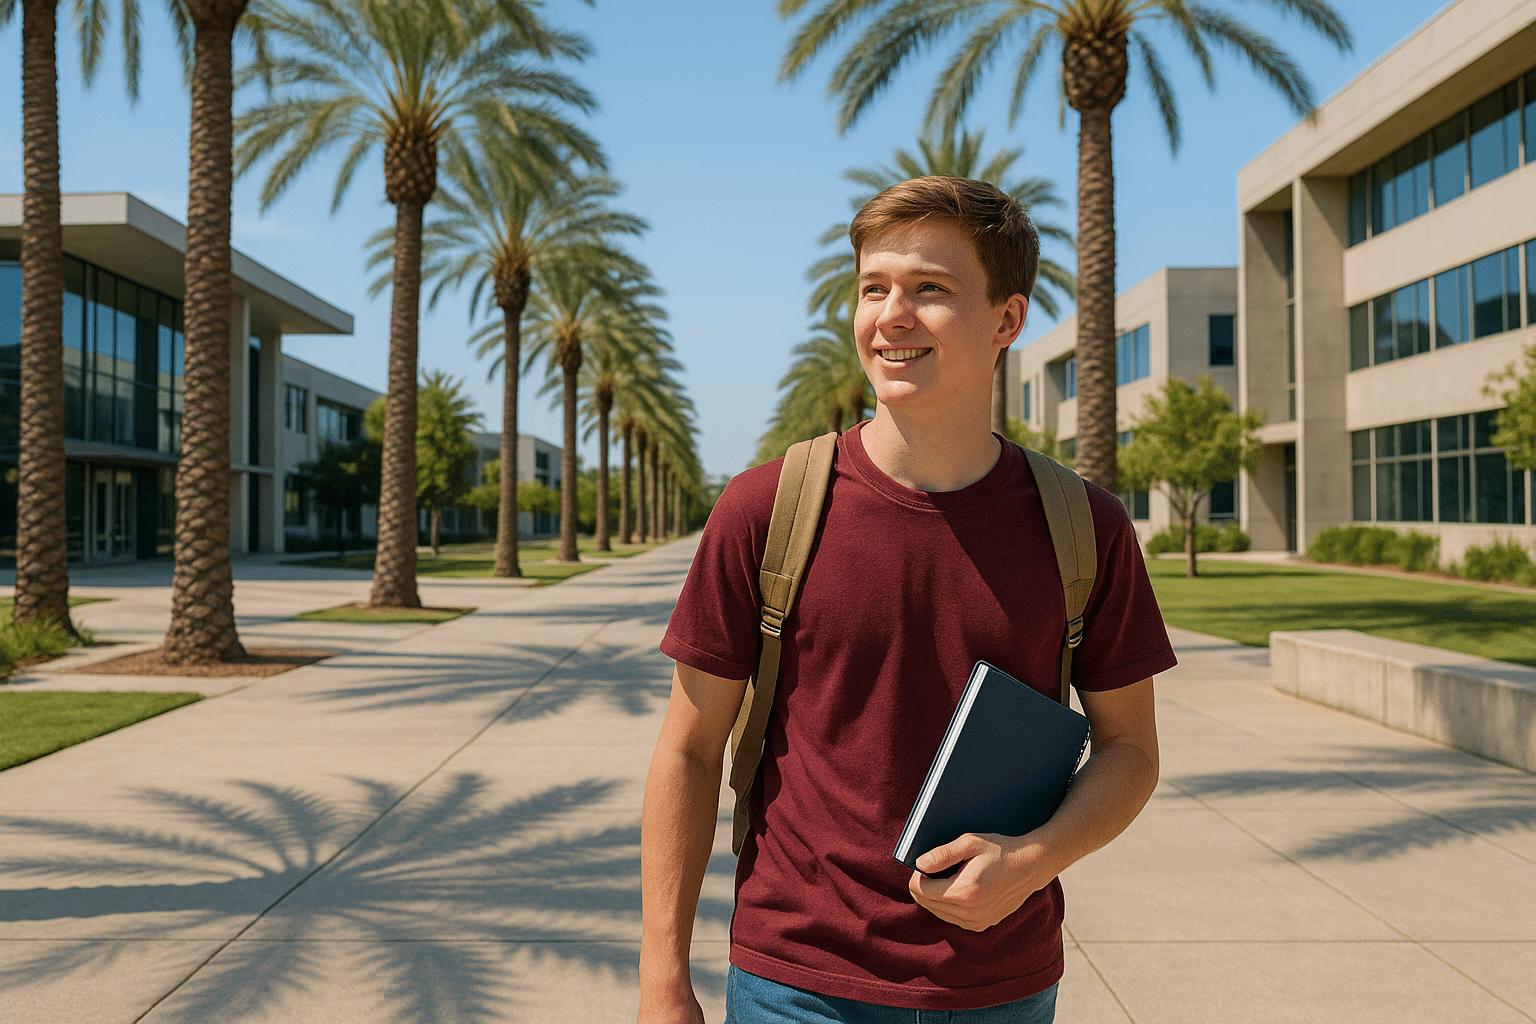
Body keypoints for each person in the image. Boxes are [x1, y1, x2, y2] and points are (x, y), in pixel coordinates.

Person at [638, 175, 1177, 1024]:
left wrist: (1033, 859)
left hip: (1003, 989)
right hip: (797, 984)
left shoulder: (1085, 528)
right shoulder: (766, 509)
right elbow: (689, 750)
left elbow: (1131, 751)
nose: (892, 314)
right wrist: (662, 977)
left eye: (930, 289)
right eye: (873, 288)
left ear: (1007, 319)